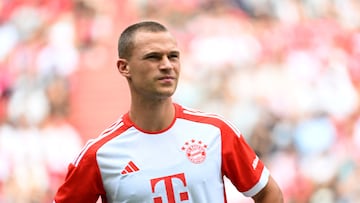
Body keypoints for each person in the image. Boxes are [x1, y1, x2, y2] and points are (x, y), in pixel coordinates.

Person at [53, 20, 283, 203]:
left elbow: (268, 194)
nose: (166, 65)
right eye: (153, 57)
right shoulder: (100, 154)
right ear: (124, 67)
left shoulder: (216, 132)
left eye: (173, 56)